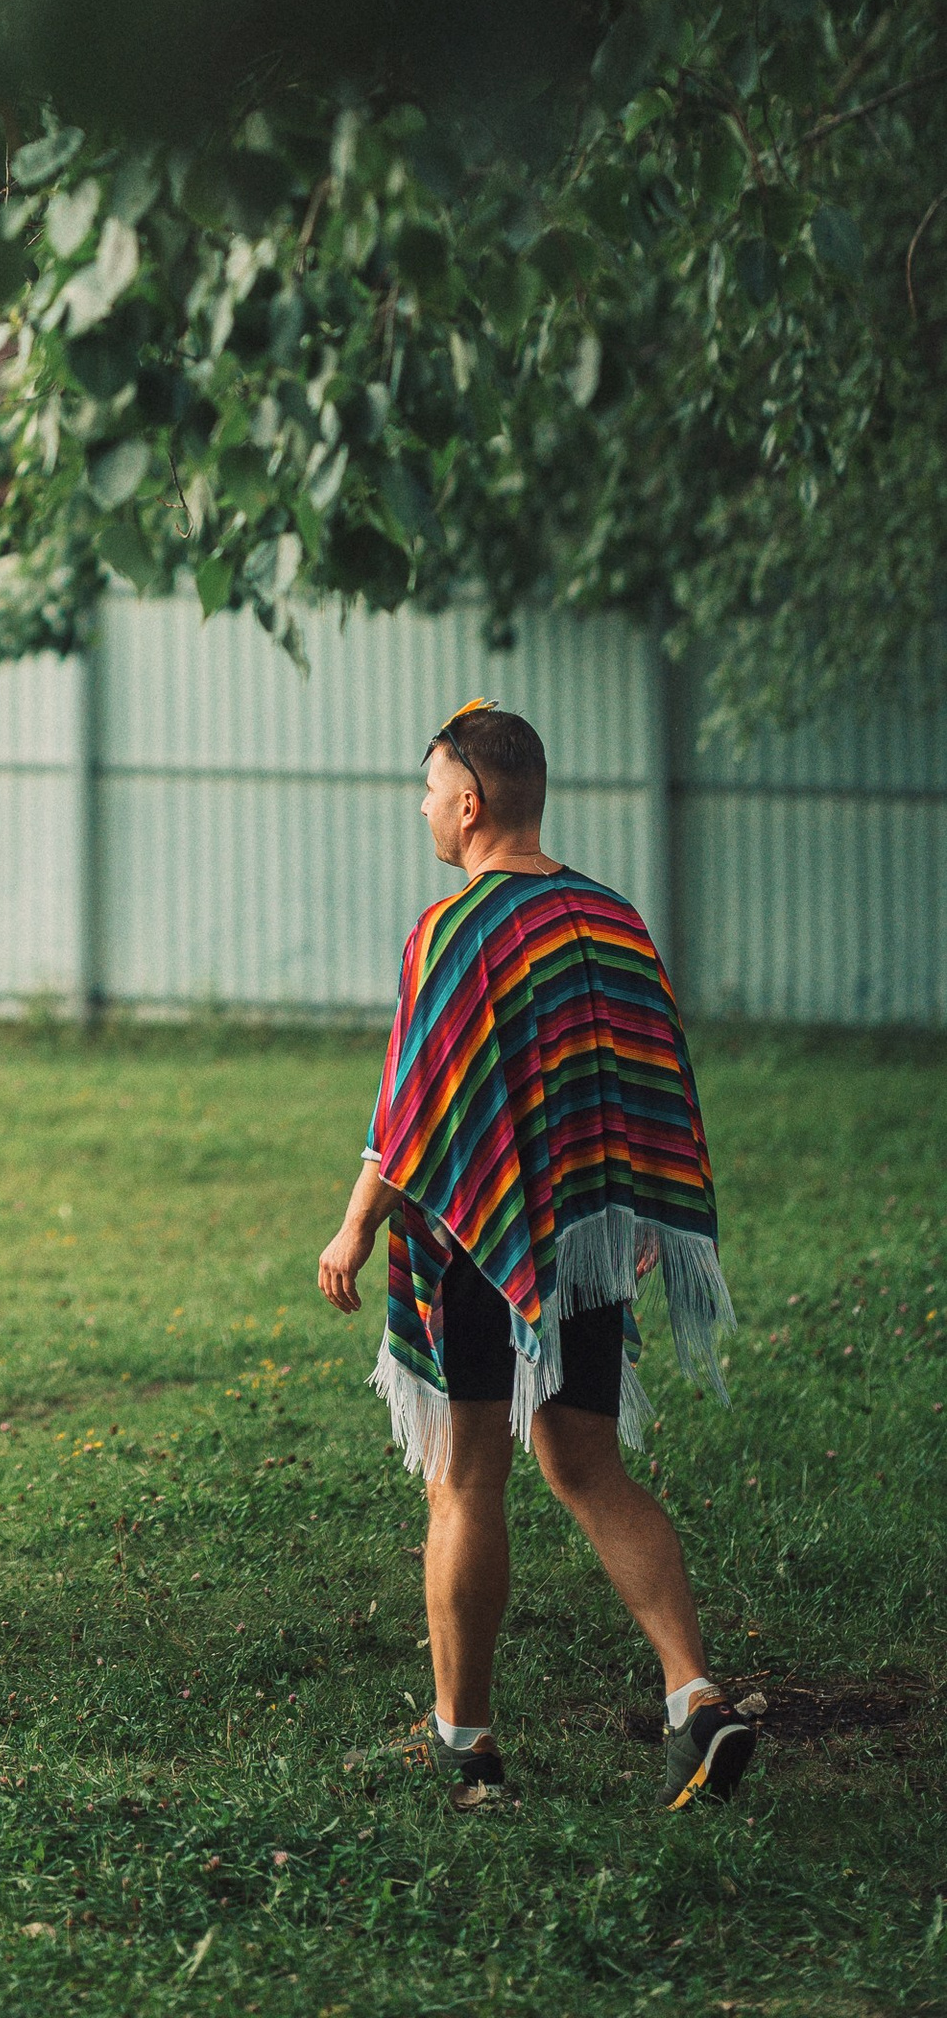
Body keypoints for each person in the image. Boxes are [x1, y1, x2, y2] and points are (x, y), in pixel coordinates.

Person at [318, 698, 756, 1810]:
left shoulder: (451, 931)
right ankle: (693, 1695)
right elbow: (648, 1088)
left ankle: (466, 1750)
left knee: (466, 1476)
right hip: (585, 1246)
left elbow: (414, 1113)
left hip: (485, 1238)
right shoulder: (611, 921)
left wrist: (357, 1222)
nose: (420, 806)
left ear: (470, 804)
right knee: (587, 1464)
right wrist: (633, 1216)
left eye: (428, 789)